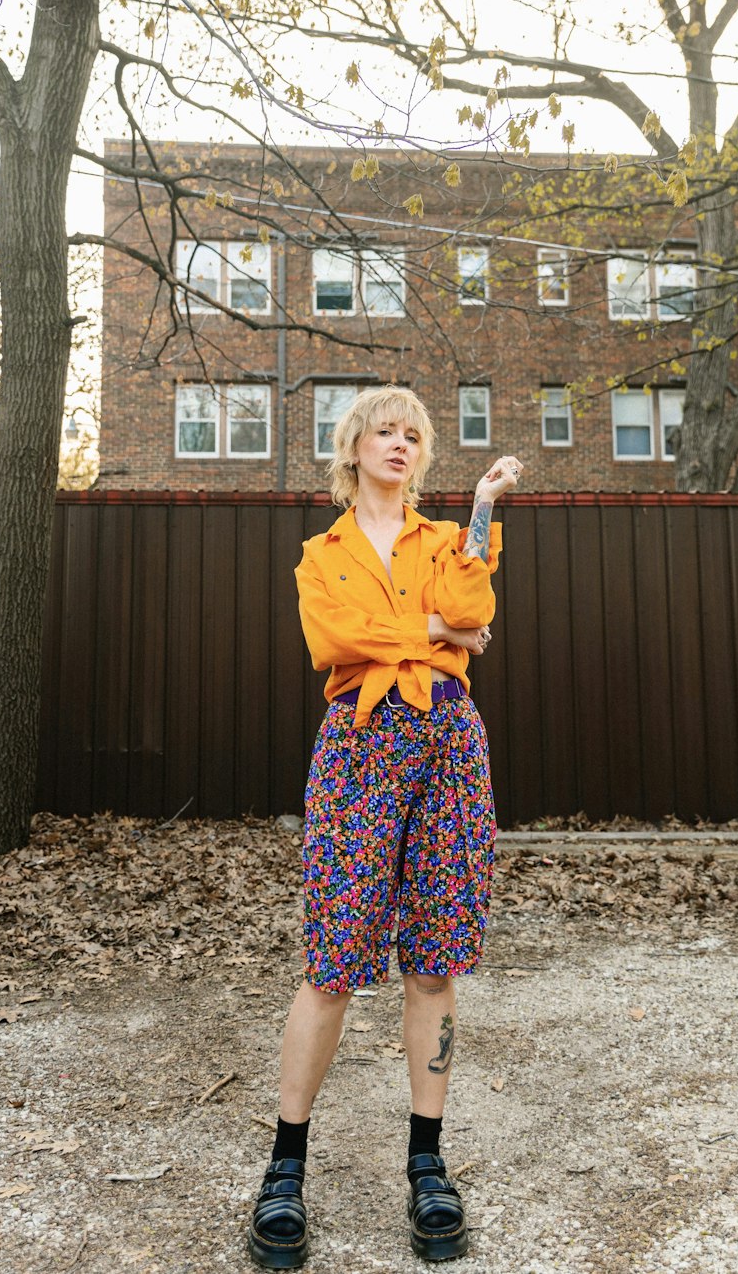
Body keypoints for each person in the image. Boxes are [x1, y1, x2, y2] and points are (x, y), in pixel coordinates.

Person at [248, 385, 523, 1269]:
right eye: (386, 431)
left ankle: (428, 1163)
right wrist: (433, 630)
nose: (401, 444)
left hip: (449, 740)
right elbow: (333, 641)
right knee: (333, 960)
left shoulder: (449, 539)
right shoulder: (317, 554)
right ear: (354, 444)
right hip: (360, 742)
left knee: (435, 957)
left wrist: (480, 511)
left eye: (415, 435)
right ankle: (285, 1170)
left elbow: (475, 617)